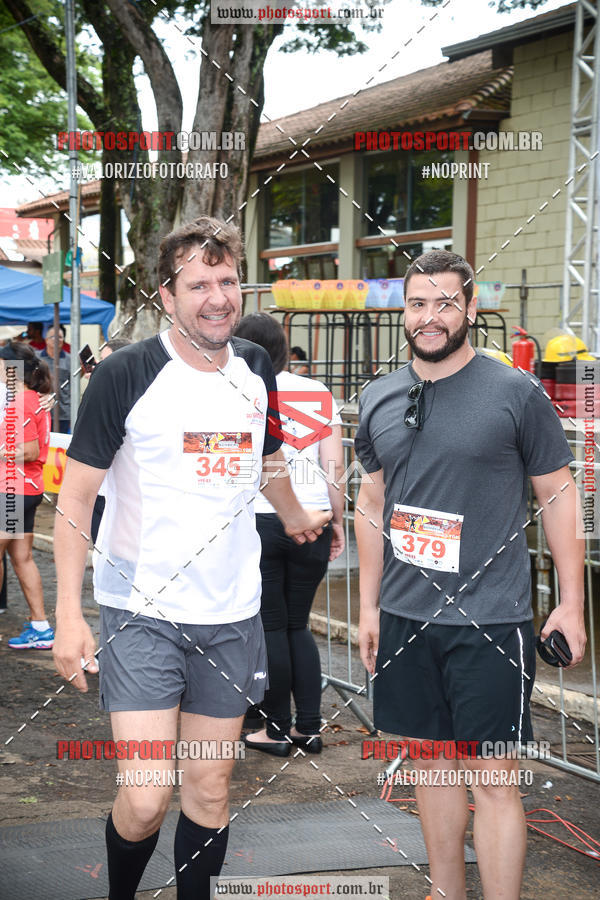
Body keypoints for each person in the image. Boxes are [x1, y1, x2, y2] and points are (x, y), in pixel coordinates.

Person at [52, 216, 331, 900]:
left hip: (231, 615)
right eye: (198, 284)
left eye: (227, 281)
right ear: (166, 295)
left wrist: (296, 515)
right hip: (141, 614)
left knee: (208, 788)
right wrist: (67, 614)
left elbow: (265, 459)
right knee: (147, 795)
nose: (217, 298)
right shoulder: (125, 374)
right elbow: (76, 498)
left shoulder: (256, 366)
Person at [354, 249, 586, 900]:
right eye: (418, 304)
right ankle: (447, 891)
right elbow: (372, 501)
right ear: (404, 311)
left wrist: (571, 603)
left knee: (494, 780)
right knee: (431, 768)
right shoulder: (378, 396)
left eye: (445, 303)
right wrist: (368, 608)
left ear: (471, 308)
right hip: (405, 617)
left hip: (490, 619)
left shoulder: (516, 392)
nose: (430, 317)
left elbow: (559, 493)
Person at [235, 314, 345, 757]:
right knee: (298, 625)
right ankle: (309, 728)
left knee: (272, 626)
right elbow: (334, 467)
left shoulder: (239, 390)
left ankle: (276, 729)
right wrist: (337, 521)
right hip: (314, 517)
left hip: (260, 519)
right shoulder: (318, 392)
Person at [0, 342, 53, 648]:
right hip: (25, 488)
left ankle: (41, 627)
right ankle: (41, 627)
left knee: (19, 558)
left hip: (12, 490)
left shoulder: (21, 401)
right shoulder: (32, 398)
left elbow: (30, 451)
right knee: (22, 558)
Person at [88, 339, 133, 544]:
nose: (99, 366)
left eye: (105, 361)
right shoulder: (101, 393)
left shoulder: (140, 399)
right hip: (101, 492)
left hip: (125, 499)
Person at [38, 325, 71, 432]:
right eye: (53, 337)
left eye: (60, 337)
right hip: (41, 409)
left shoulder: (70, 359)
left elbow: (74, 381)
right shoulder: (36, 358)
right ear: (46, 340)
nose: (57, 340)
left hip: (63, 413)